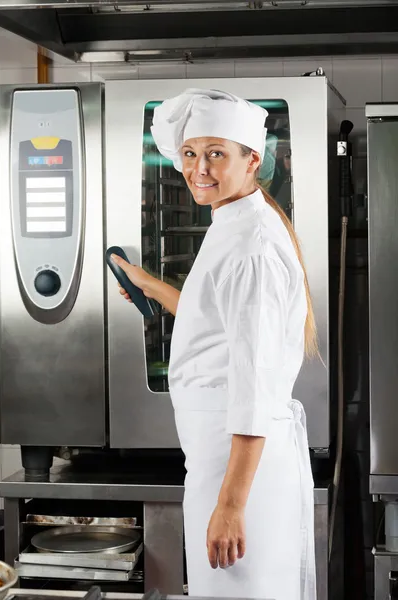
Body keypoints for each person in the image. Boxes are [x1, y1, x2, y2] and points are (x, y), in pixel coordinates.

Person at [111, 89, 317, 600]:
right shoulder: (235, 222)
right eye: (189, 153)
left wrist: (230, 505)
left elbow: (254, 387)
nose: (197, 168)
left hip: (239, 472)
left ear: (252, 159)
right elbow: (221, 325)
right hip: (220, 461)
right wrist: (152, 286)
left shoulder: (252, 246)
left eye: (215, 153)